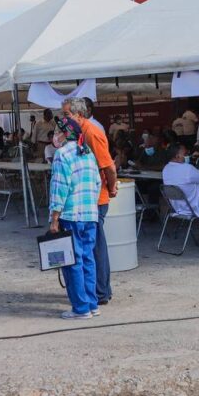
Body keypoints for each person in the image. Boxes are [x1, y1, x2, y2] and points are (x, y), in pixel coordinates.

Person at [64, 97, 117, 306]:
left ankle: (101, 291)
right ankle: (94, 290)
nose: (63, 119)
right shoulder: (77, 132)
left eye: (66, 115)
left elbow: (109, 166)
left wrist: (111, 187)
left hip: (97, 197)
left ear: (79, 115)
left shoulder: (92, 132)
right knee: (90, 246)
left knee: (95, 247)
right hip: (85, 197)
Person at [48, 116, 101, 319]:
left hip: (71, 215)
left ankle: (80, 308)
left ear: (64, 134)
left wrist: (54, 218)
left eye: (56, 132)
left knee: (73, 261)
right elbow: (97, 184)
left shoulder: (62, 154)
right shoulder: (87, 154)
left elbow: (59, 188)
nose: (55, 136)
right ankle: (92, 304)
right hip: (90, 215)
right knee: (88, 259)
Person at [162, 143, 199, 221]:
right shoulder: (187, 168)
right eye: (185, 154)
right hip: (193, 207)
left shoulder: (166, 169)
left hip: (178, 207)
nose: (188, 156)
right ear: (177, 156)